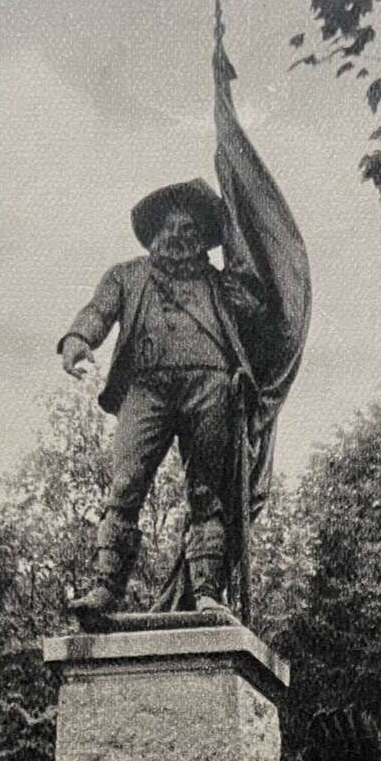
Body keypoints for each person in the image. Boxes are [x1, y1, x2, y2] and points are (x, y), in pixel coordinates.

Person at [58, 177, 264, 620]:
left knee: (208, 494)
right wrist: (77, 337)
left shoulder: (220, 285)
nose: (177, 234)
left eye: (189, 227)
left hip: (209, 387)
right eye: (169, 226)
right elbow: (98, 310)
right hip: (145, 388)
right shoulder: (126, 276)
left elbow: (259, 306)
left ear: (203, 238)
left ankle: (208, 592)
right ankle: (104, 590)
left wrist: (250, 233)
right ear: (154, 231)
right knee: (125, 488)